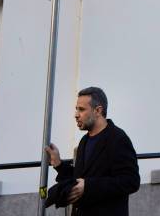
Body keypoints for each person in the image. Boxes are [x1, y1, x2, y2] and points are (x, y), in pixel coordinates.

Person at [45, 87, 140, 215]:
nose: (76, 115)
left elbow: (131, 181)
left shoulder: (117, 138)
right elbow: (79, 178)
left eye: (82, 109)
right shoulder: (84, 141)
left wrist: (89, 186)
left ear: (98, 111)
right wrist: (58, 164)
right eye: (76, 109)